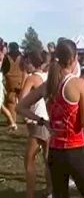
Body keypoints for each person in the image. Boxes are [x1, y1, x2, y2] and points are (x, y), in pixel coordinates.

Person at [17, 39, 84, 198]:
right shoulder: (79, 84)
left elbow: (20, 107)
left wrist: (42, 121)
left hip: (55, 152)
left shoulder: (48, 85)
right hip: (75, 151)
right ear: (73, 59)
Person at [19, 50, 51, 198]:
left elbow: (21, 101)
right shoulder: (47, 76)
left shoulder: (31, 78)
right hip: (49, 122)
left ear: (32, 63)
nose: (25, 64)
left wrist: (25, 77)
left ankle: (30, 195)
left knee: (29, 160)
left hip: (38, 122)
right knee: (47, 159)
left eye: (27, 61)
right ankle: (51, 190)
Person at [1, 42, 26, 126]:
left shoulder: (6, 57)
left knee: (11, 102)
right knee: (24, 102)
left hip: (10, 82)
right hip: (21, 81)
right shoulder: (22, 57)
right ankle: (27, 118)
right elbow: (25, 70)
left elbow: (3, 70)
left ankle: (12, 121)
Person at [0, 42, 16, 130]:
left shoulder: (3, 59)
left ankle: (12, 122)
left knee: (1, 106)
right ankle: (12, 123)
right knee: (1, 106)